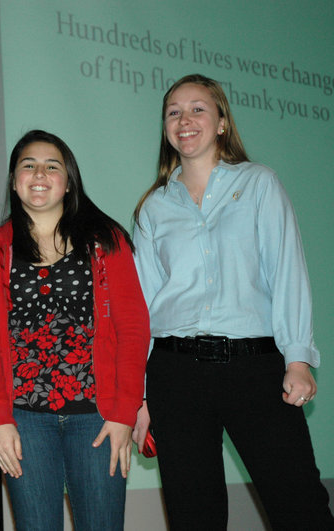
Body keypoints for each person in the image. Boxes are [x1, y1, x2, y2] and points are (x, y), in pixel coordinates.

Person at [132, 73, 334, 530]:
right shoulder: (153, 208)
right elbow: (143, 307)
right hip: (174, 373)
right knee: (192, 516)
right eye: (173, 112)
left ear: (222, 122)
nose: (185, 120)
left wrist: (298, 359)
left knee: (300, 506)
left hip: (254, 367)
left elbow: (287, 272)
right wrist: (140, 397)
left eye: (198, 108)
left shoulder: (260, 183)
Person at [0, 130, 149, 530]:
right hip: (24, 419)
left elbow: (133, 329)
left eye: (52, 166)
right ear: (15, 180)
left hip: (98, 417)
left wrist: (124, 411)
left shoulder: (107, 241)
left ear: (68, 181)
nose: (39, 174)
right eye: (28, 165)